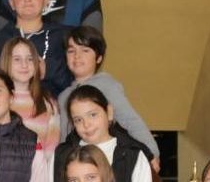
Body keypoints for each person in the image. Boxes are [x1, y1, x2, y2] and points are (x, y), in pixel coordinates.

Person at [58, 27, 157, 161]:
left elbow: (130, 120)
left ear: (98, 58)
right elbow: (64, 136)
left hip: (107, 161)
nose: (77, 56)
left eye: (85, 50)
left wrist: (152, 153)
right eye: (71, 51)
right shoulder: (63, 96)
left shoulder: (107, 85)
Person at [1, 36, 61, 182]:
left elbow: (52, 153)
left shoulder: (47, 102)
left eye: (29, 59)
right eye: (17, 59)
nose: (24, 65)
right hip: (6, 181)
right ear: (6, 63)